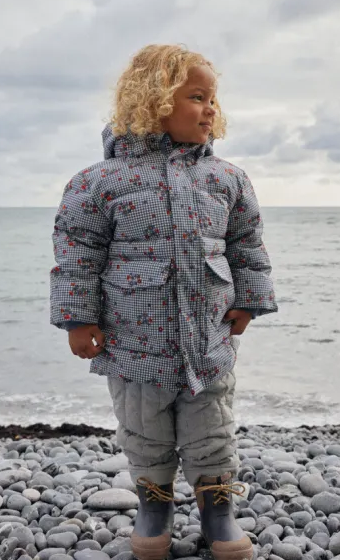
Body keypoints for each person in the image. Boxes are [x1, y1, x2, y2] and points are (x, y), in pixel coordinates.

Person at [49, 44, 278, 560]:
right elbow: (77, 252)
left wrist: (251, 300)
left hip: (209, 341)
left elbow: (247, 244)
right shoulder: (99, 182)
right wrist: (77, 319)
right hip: (133, 345)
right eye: (198, 97)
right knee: (144, 433)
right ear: (154, 102)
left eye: (213, 99)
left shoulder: (226, 179)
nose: (211, 109)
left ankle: (218, 514)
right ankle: (154, 507)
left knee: (212, 429)